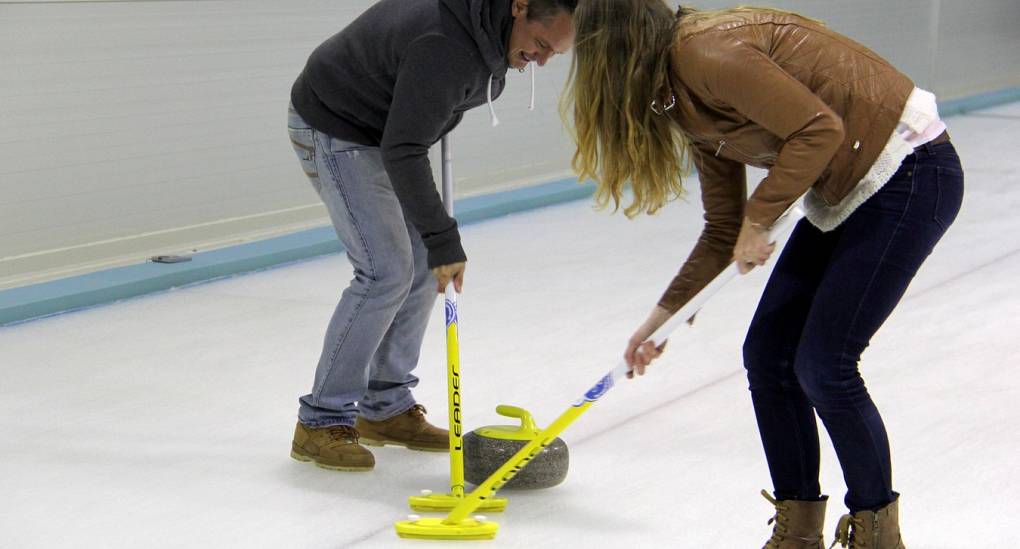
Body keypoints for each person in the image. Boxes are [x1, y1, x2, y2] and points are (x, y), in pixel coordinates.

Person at [564, 2, 963, 548]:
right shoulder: (677, 93)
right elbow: (722, 228)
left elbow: (819, 129)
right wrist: (660, 322)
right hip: (848, 185)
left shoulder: (704, 53)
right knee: (768, 356)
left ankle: (877, 533)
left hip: (910, 171)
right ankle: (797, 533)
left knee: (825, 365)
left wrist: (760, 217)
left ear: (615, 48)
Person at [286, 0, 576, 472]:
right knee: (385, 271)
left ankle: (385, 408)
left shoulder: (491, 35)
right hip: (336, 125)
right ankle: (320, 420)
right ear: (520, 8)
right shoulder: (447, 44)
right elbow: (405, 147)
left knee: (422, 267)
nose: (541, 61)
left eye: (554, 55)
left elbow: (415, 126)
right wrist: (444, 237)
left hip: (383, 130)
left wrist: (435, 242)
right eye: (540, 45)